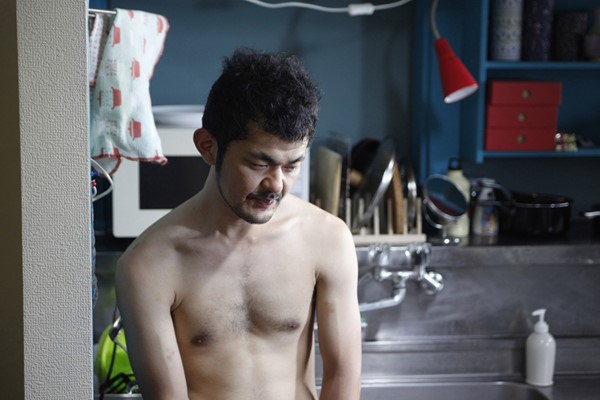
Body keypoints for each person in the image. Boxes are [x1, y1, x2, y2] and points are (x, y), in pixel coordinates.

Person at [115, 47, 362, 400]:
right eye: (260, 164)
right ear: (208, 147)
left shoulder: (327, 239)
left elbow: (342, 378)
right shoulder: (148, 265)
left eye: (292, 165)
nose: (277, 185)